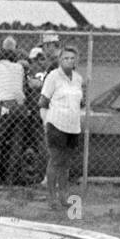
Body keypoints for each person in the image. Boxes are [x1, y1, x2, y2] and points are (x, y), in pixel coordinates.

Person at [38, 45, 83, 210]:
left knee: (66, 162)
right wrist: (46, 122)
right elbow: (43, 102)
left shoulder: (78, 78)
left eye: (72, 58)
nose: (69, 61)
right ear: (60, 60)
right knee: (56, 160)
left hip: (73, 126)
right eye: (66, 58)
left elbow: (79, 100)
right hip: (56, 124)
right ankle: (51, 197)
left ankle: (64, 196)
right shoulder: (53, 77)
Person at [0, 37, 34, 184]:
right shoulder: (20, 68)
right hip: (20, 107)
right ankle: (11, 178)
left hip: (5, 106)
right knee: (16, 142)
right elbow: (24, 88)